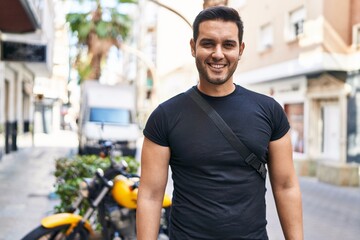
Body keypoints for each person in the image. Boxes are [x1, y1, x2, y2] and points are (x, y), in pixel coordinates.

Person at [136, 6, 303, 240]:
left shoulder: (269, 111)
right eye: (208, 43)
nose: (217, 54)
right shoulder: (165, 116)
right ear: (193, 47)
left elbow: (286, 186)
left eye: (228, 45)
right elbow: (150, 195)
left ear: (240, 49)